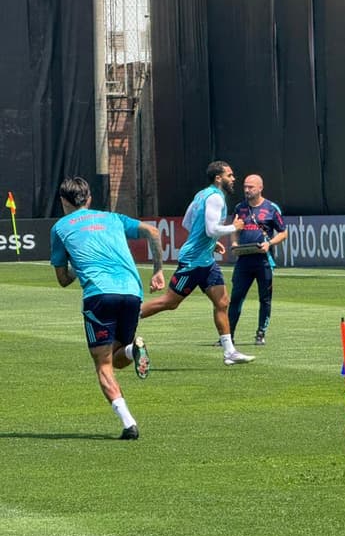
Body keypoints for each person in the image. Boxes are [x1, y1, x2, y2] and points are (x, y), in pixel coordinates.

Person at [50, 177, 164, 440]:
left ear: (63, 201)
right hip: (132, 292)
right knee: (119, 358)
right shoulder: (112, 218)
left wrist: (79, 269)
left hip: (99, 295)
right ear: (89, 198)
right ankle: (133, 348)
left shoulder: (59, 228)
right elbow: (153, 232)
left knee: (103, 363)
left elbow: (63, 279)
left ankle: (129, 424)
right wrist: (158, 270)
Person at [140, 161, 255, 365]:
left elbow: (188, 222)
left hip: (206, 260)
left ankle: (229, 352)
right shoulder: (214, 198)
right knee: (170, 302)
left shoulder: (202, 195)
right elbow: (211, 229)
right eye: (230, 175)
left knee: (222, 302)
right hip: (193, 261)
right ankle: (128, 316)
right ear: (218, 178)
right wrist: (233, 227)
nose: (233, 178)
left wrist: (211, 243)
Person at [227, 174, 288, 345]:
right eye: (245, 187)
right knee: (237, 297)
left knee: (265, 298)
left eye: (251, 187)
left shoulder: (271, 208)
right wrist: (234, 244)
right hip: (244, 260)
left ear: (260, 188)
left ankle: (261, 333)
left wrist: (269, 244)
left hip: (263, 261)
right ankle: (228, 335)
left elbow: (283, 232)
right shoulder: (240, 208)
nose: (247, 190)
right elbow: (234, 229)